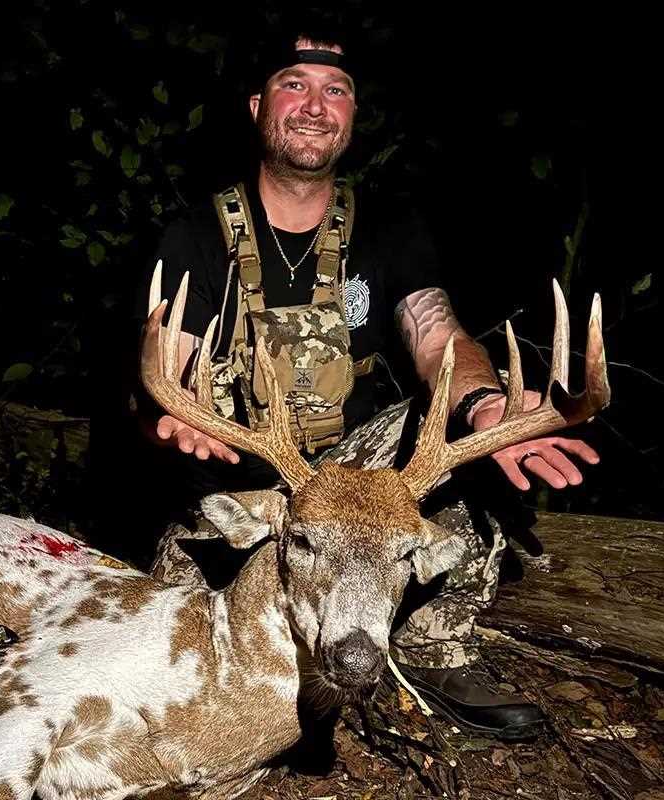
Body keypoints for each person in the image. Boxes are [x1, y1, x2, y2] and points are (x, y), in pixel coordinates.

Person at [130, 26, 600, 742]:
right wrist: (169, 416)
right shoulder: (195, 235)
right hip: (243, 491)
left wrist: (485, 401)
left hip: (354, 485)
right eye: (296, 84)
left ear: (351, 115)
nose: (316, 105)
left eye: (336, 90)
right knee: (163, 658)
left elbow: (437, 336)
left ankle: (431, 643)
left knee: (453, 435)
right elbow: (164, 372)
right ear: (258, 106)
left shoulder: (387, 229)